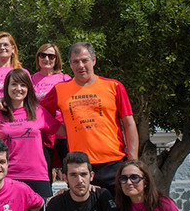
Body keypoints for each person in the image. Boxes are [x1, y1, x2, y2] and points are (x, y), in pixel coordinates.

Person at [41, 42, 138, 193]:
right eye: (76, 62)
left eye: (85, 60)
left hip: (114, 164)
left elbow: (129, 123)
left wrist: (133, 161)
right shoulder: (60, 90)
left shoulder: (114, 86)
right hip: (80, 168)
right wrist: (63, 130)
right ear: (70, 64)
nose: (81, 65)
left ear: (93, 60)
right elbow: (40, 112)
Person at [0, 68, 61, 211]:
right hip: (9, 178)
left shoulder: (39, 111)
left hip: (38, 176)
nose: (18, 89)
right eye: (14, 84)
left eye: (23, 85)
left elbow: (63, 132)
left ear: (29, 88)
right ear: (6, 88)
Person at [31, 42, 71, 180]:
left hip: (61, 129)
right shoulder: (31, 79)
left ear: (56, 59)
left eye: (51, 56)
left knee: (68, 167)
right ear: (38, 57)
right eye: (43, 55)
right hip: (42, 130)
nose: (47, 59)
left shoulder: (65, 79)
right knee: (44, 168)